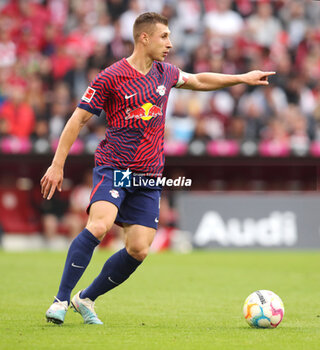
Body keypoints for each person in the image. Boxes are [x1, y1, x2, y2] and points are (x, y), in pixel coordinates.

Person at [41, 12, 275, 325]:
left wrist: (242, 78)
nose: (170, 44)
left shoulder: (165, 73)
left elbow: (199, 79)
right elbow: (77, 119)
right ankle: (59, 301)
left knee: (138, 249)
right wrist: (58, 164)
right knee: (100, 225)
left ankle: (86, 298)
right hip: (114, 168)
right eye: (164, 37)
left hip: (149, 176)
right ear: (144, 38)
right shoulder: (111, 76)